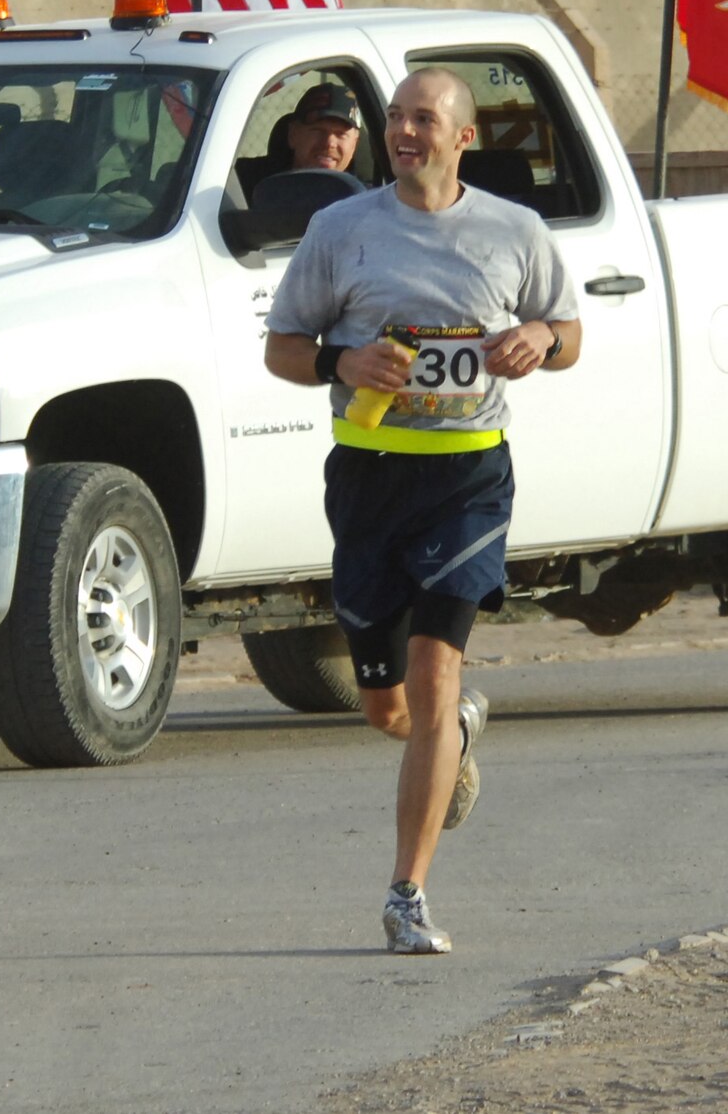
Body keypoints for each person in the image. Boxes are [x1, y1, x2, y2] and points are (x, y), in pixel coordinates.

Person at [262, 67, 582, 954]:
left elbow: (569, 332)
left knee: (436, 676)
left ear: (462, 137)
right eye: (396, 118)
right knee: (389, 709)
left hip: (468, 477)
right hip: (369, 480)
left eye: (424, 119)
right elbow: (283, 349)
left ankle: (408, 894)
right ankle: (455, 735)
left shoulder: (513, 232)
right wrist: (341, 365)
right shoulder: (342, 230)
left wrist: (541, 339)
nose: (405, 131)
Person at [236, 82, 362, 201]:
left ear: (355, 143)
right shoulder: (241, 184)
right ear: (293, 134)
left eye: (341, 134)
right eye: (318, 131)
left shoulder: (366, 205)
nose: (329, 143)